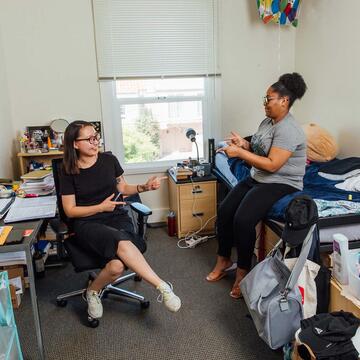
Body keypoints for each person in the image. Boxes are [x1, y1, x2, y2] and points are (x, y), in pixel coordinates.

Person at [60, 120, 181, 319]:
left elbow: (123, 189)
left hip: (116, 217)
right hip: (87, 223)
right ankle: (162, 286)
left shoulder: (109, 160)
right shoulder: (68, 170)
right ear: (75, 144)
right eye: (89, 139)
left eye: (96, 137)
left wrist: (144, 187)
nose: (95, 142)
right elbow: (70, 211)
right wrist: (100, 207)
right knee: (120, 241)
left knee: (116, 266)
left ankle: (91, 291)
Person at [206, 72, 307, 299]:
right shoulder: (268, 122)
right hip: (259, 177)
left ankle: (243, 272)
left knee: (243, 220)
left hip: (282, 182)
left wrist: (240, 152)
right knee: (224, 211)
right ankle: (223, 260)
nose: (265, 103)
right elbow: (261, 149)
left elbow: (273, 164)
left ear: (284, 101)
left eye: (268, 99)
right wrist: (245, 144)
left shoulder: (288, 129)